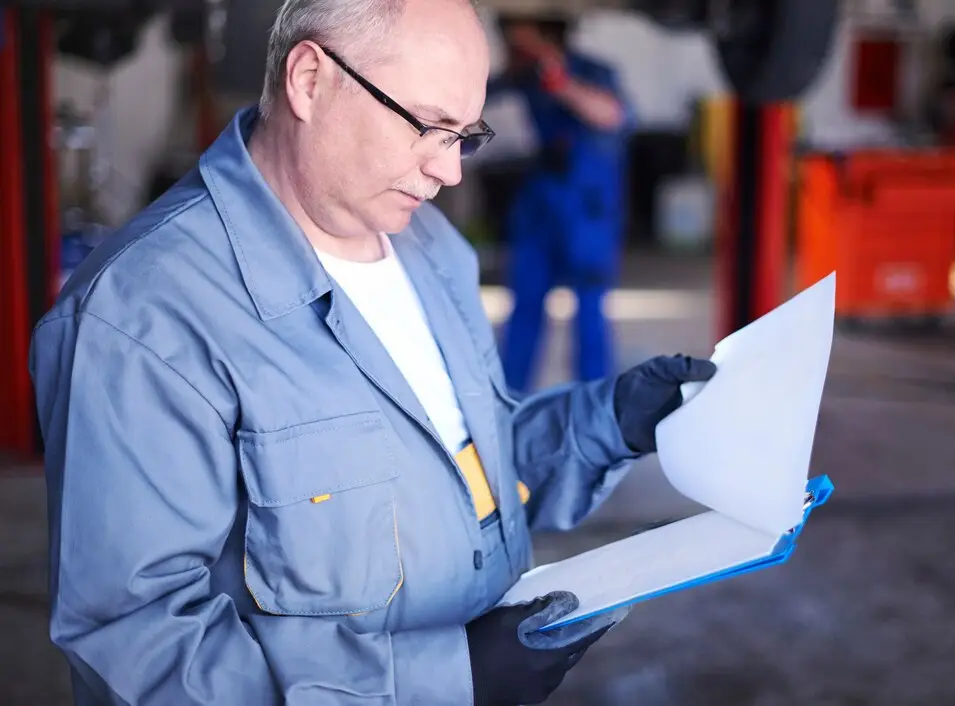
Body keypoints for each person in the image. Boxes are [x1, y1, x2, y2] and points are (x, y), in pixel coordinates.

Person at [28, 1, 716, 704]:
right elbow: (143, 650)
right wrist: (443, 679)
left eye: (465, 135)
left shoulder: (432, 250)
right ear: (310, 80)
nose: (450, 171)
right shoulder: (142, 318)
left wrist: (609, 422)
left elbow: (463, 470)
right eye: (428, 127)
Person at [489, 12, 633, 394]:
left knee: (590, 313)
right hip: (540, 206)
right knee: (524, 307)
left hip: (587, 209)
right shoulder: (521, 78)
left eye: (518, 43)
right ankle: (510, 402)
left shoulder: (593, 72)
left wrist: (560, 80)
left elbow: (612, 115)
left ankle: (595, 405)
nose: (510, 51)